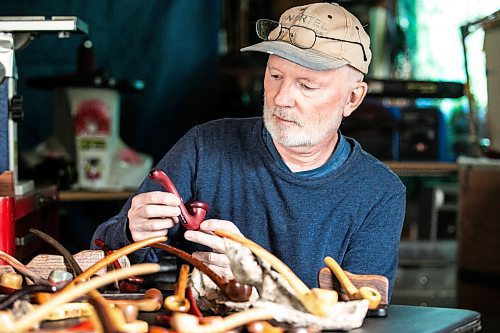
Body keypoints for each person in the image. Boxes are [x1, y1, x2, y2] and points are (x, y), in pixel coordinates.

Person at [91, 2, 406, 298]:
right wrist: (131, 233)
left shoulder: (378, 192)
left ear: (353, 98)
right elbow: (102, 263)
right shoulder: (205, 147)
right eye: (275, 76)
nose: (281, 97)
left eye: (307, 85)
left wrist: (260, 280)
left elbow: (365, 305)